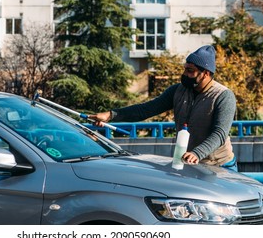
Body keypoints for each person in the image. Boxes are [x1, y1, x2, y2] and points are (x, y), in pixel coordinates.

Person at [89, 45, 238, 171]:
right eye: (185, 69)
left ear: (205, 74)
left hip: (220, 165)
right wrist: (110, 115)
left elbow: (219, 133)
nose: (184, 74)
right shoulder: (178, 91)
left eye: (190, 71)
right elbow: (146, 109)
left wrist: (197, 153)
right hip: (190, 163)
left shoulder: (223, 96)